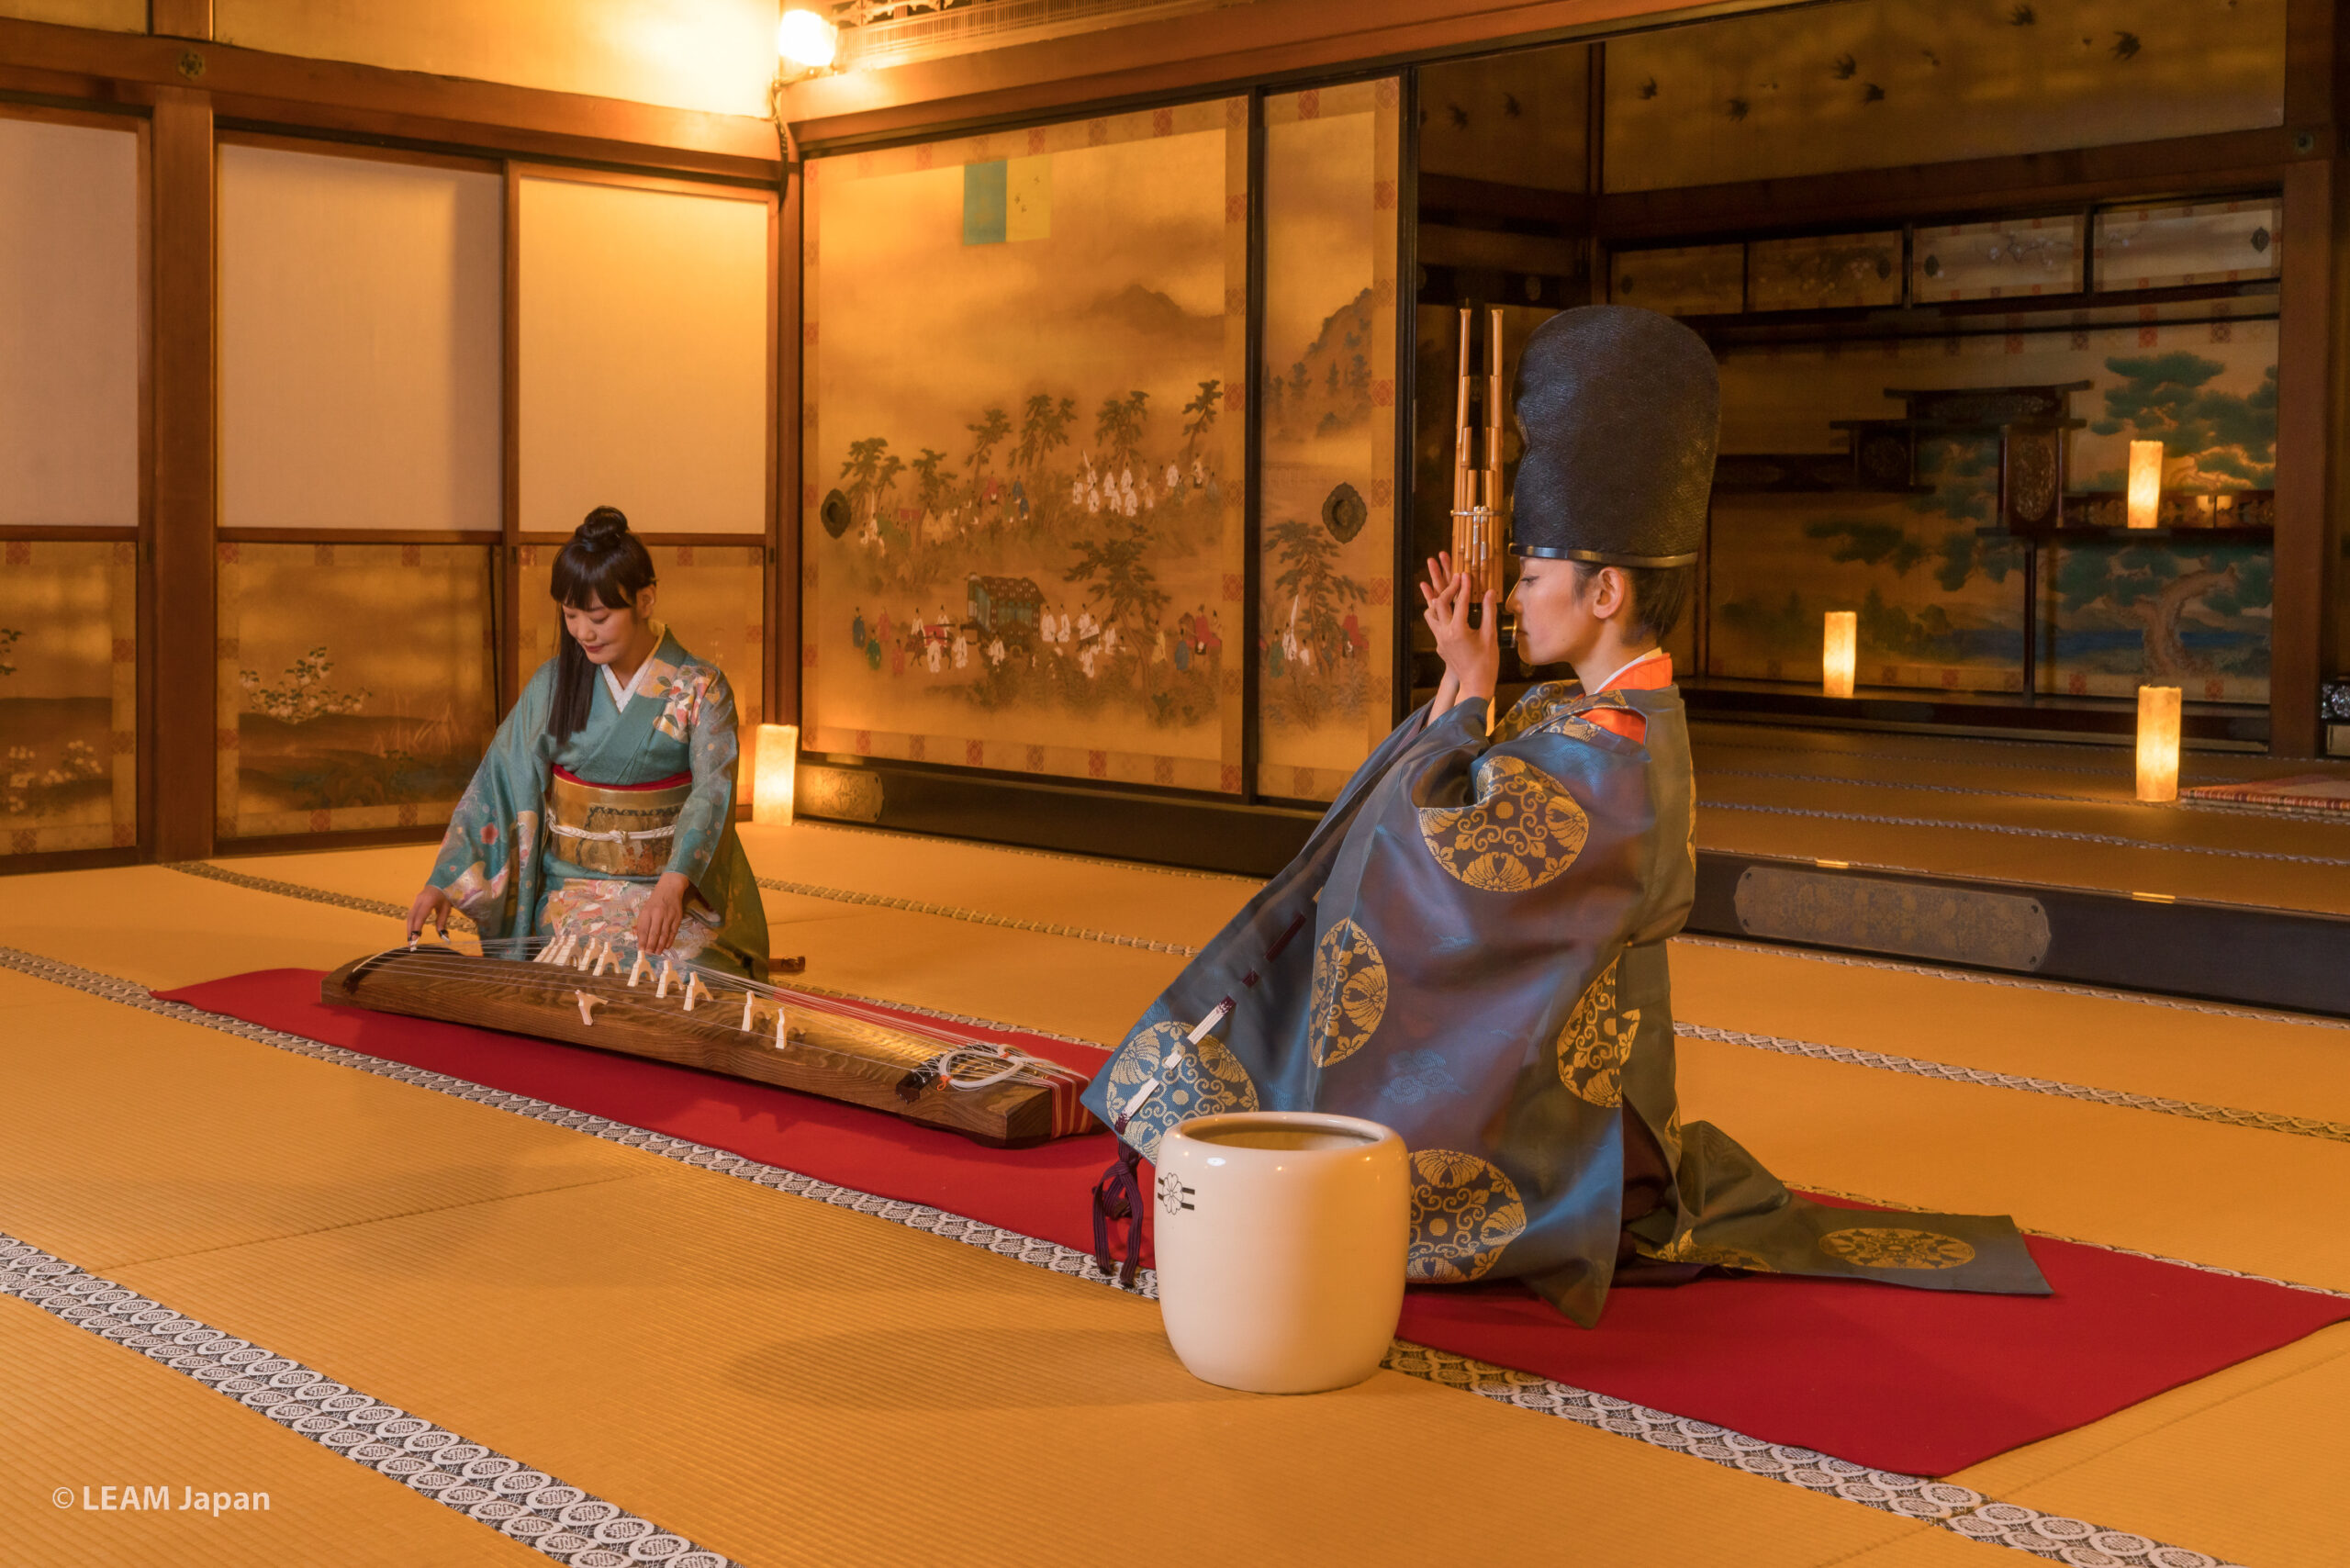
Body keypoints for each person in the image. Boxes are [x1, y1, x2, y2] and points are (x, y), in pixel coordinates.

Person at [1080, 307, 2046, 1326]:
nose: (1512, 600)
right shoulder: (1599, 719)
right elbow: (1450, 810)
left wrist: (1467, 691)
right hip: (1581, 1083)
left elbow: (1433, 852)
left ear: (1606, 591)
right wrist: (1464, 684)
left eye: (1533, 579)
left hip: (1582, 1134)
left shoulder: (1611, 747)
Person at [407, 508, 769, 980]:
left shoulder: (700, 688)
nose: (582, 632)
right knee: (582, 969)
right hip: (575, 890)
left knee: (688, 976)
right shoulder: (553, 685)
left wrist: (673, 885)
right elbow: (501, 780)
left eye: (599, 616)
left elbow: (712, 794)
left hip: (673, 887)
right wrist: (445, 882)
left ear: (646, 599)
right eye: (570, 615)